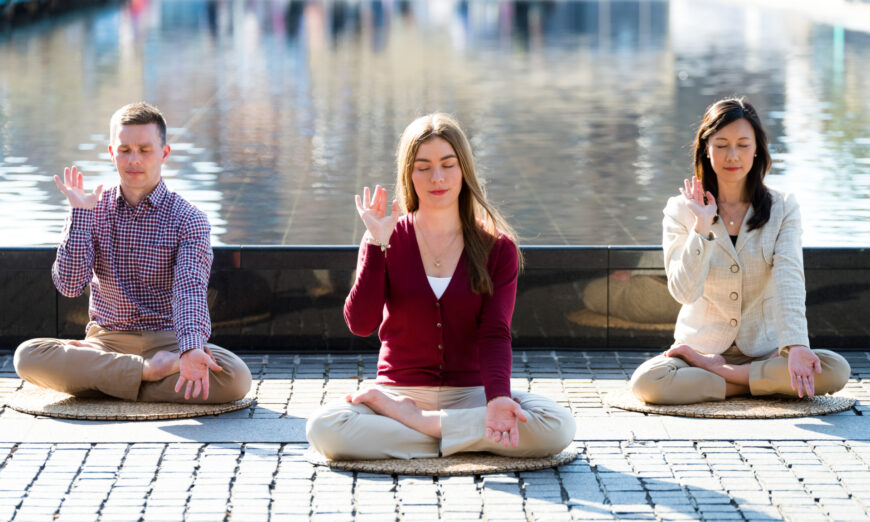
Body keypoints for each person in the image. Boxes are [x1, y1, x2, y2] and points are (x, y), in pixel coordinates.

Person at [306, 113, 575, 459]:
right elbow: (360, 324)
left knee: (556, 425)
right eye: (423, 167)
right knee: (325, 428)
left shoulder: (497, 247)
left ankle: (420, 426)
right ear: (409, 174)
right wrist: (376, 245)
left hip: (472, 394)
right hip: (398, 391)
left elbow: (495, 332)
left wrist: (497, 399)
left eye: (448, 164)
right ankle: (459, 435)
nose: (437, 177)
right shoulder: (384, 235)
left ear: (464, 169)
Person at [14, 102, 251, 404]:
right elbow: (70, 285)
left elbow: (189, 289)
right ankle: (147, 374)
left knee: (234, 377)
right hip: (107, 341)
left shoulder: (189, 219)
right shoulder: (91, 209)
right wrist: (79, 215)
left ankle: (108, 381)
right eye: (124, 150)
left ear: (164, 154)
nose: (134, 159)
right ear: (111, 153)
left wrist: (191, 349)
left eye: (144, 149)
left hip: (168, 343)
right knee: (28, 356)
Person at [630, 98, 850, 405]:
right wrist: (702, 228)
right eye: (721, 144)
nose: (732, 155)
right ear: (706, 148)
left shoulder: (783, 206)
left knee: (836, 369)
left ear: (757, 148)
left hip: (766, 350)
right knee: (648, 383)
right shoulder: (680, 209)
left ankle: (725, 377)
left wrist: (796, 345)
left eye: (743, 144)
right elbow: (684, 292)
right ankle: (758, 383)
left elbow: (789, 277)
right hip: (699, 350)